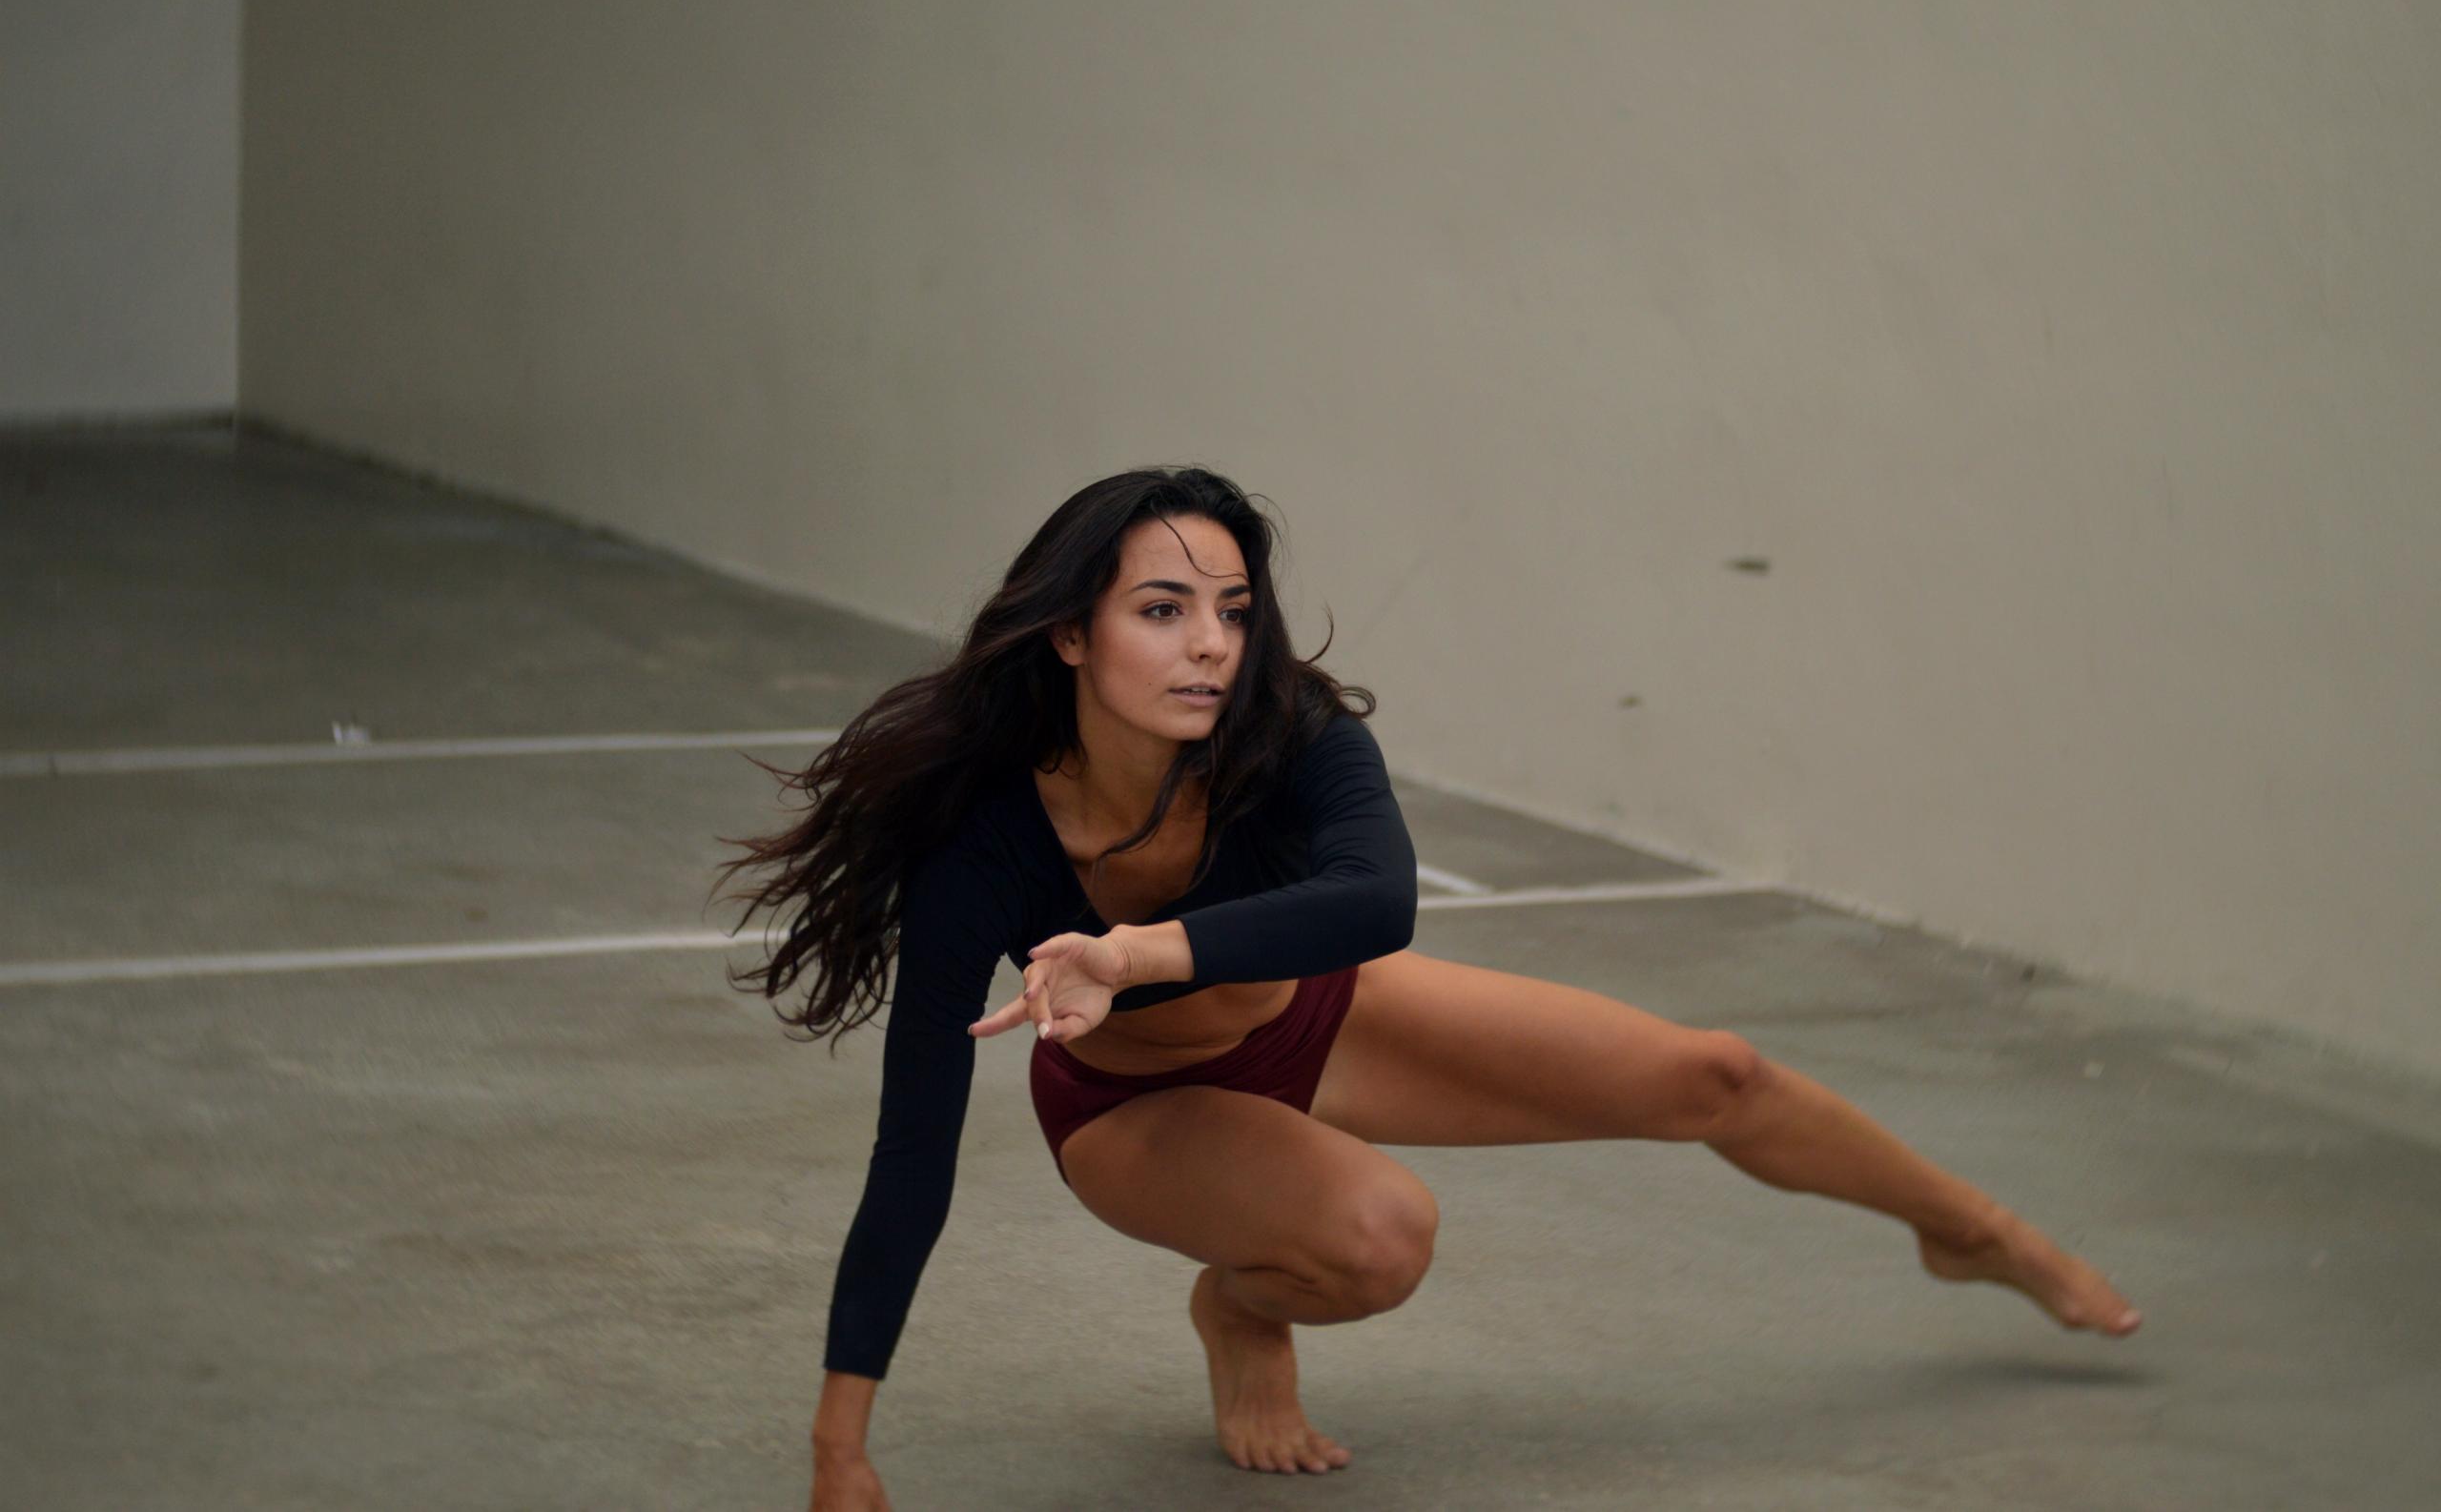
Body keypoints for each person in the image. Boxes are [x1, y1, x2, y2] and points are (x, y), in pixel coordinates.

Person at [712, 466, 2140, 1508]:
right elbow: (912, 1151)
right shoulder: (985, 840)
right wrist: (843, 1449)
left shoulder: (1287, 733)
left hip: (1320, 1017)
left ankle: (1973, 1232)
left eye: (1230, 606)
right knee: (1385, 1237)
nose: (1210, 641)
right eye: (1162, 608)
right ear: (1073, 635)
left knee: (1715, 1073)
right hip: (1136, 1110)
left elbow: (1376, 902)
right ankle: (1246, 1303)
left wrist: (1137, 952)